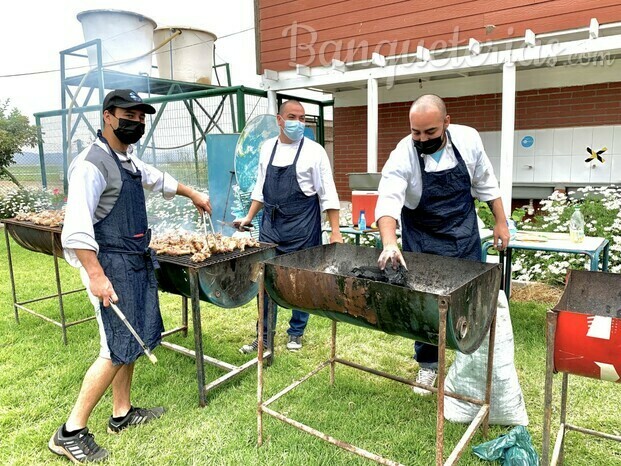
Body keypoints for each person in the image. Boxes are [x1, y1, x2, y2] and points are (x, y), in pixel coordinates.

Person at [49, 89, 212, 463]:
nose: (136, 122)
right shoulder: (91, 164)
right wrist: (96, 275)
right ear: (108, 116)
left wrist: (193, 195)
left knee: (133, 339)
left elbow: (160, 180)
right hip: (109, 267)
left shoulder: (129, 161)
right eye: (129, 115)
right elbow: (75, 229)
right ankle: (70, 431)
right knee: (114, 347)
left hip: (134, 262)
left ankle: (121, 413)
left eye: (141, 118)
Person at [375, 94, 509, 395]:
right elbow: (388, 200)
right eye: (416, 133)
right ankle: (428, 366)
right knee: (424, 305)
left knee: (470, 300)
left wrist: (501, 221)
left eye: (430, 132)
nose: (422, 139)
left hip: (462, 234)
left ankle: (470, 364)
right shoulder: (403, 154)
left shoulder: (468, 139)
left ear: (446, 123)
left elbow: (486, 182)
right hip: (422, 238)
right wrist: (389, 243)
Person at [235, 100, 342, 353]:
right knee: (265, 281)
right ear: (279, 120)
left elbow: (328, 193)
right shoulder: (267, 148)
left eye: (303, 118)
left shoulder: (315, 152)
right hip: (271, 227)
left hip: (303, 228)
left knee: (300, 282)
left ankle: (296, 331)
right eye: (293, 117)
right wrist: (249, 217)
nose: (299, 122)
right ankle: (263, 336)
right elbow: (261, 188)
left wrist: (335, 231)